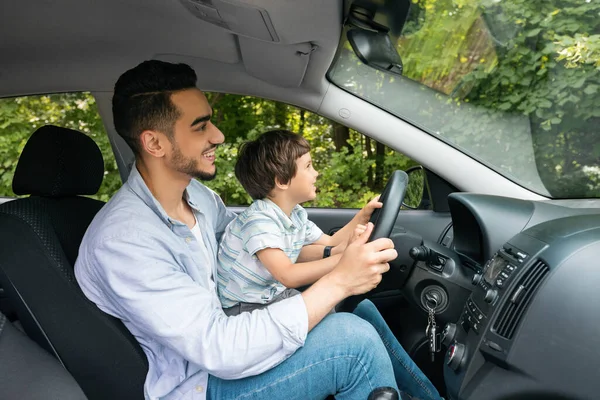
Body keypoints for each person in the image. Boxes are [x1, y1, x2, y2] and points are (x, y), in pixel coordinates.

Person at [74, 60, 442, 400]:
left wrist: (337, 255)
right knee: (353, 342)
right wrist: (340, 279)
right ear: (155, 143)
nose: (217, 135)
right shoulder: (124, 242)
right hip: (200, 383)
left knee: (361, 313)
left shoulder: (197, 197)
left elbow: (262, 251)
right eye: (200, 126)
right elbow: (221, 348)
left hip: (227, 345)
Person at [217, 130, 381, 316]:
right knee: (337, 318)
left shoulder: (295, 214)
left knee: (364, 309)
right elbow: (288, 275)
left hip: (272, 296)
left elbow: (330, 242)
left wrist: (364, 215)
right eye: (309, 166)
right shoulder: (259, 221)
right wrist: (344, 260)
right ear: (282, 180)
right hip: (244, 308)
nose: (316, 173)